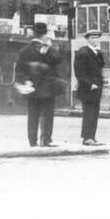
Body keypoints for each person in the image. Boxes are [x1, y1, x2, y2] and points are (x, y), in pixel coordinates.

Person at [15, 21, 65, 149]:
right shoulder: (48, 49)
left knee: (32, 114)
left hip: (31, 87)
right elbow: (59, 59)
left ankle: (32, 142)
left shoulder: (23, 51)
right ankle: (46, 140)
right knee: (47, 114)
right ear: (44, 35)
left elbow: (19, 70)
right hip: (47, 87)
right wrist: (50, 47)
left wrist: (26, 81)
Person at [73, 30, 106, 147]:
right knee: (88, 113)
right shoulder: (83, 52)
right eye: (92, 38)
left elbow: (101, 66)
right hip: (87, 89)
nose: (95, 40)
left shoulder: (97, 52)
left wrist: (99, 54)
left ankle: (92, 136)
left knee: (95, 113)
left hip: (97, 88)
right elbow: (79, 72)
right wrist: (89, 84)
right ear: (87, 39)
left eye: (96, 38)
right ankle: (87, 137)